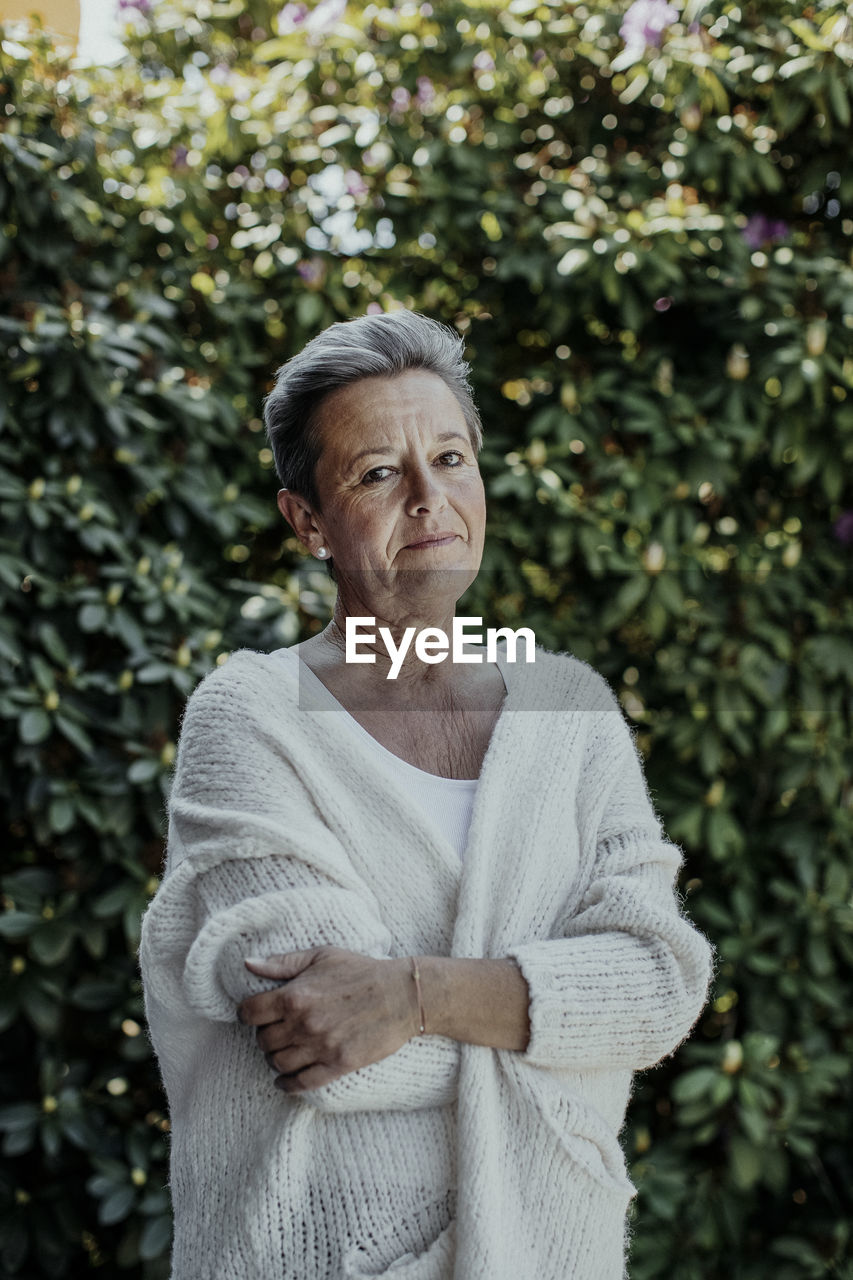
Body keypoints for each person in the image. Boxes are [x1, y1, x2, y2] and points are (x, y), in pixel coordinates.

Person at [139, 309, 715, 1280]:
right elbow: (321, 1039)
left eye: (449, 457)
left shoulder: (569, 709)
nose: (428, 498)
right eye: (376, 472)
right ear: (308, 521)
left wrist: (412, 992)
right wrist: (564, 1025)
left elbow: (660, 988)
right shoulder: (250, 715)